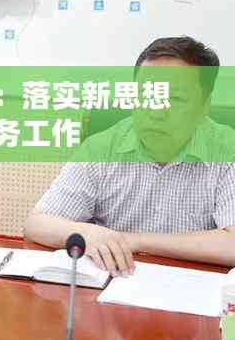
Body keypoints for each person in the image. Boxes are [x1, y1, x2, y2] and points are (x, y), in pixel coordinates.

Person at [25, 37, 235, 275]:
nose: (156, 111)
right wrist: (86, 233)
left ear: (204, 106)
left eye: (175, 99)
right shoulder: (102, 148)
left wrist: (133, 241)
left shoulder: (227, 151)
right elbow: (37, 224)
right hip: (113, 284)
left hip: (195, 287)